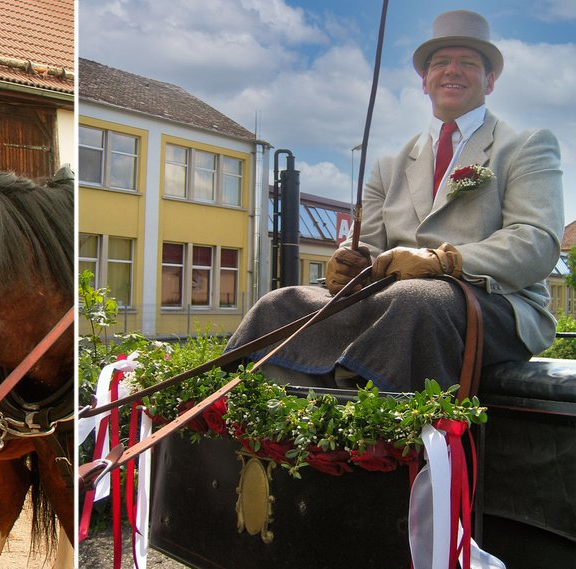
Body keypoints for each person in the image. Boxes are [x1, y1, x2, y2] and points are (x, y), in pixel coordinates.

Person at [226, 10, 564, 393]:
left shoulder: (526, 146)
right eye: (441, 63)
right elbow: (367, 245)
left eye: (468, 63)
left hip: (494, 304)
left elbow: (536, 242)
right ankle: (265, 423)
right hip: (397, 303)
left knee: (416, 300)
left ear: (489, 81)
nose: (452, 71)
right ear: (425, 81)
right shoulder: (389, 165)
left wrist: (446, 260)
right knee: (280, 304)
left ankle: (376, 435)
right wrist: (347, 262)